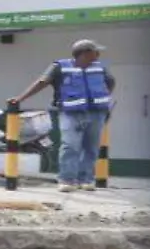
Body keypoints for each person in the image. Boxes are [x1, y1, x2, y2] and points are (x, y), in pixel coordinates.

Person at [9, 38, 115, 192]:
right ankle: (67, 180)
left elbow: (111, 82)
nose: (98, 54)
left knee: (91, 147)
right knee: (70, 146)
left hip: (96, 113)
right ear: (84, 54)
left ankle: (86, 180)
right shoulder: (59, 67)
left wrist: (103, 99)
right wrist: (20, 98)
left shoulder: (100, 67)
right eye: (95, 51)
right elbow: (41, 82)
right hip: (70, 113)